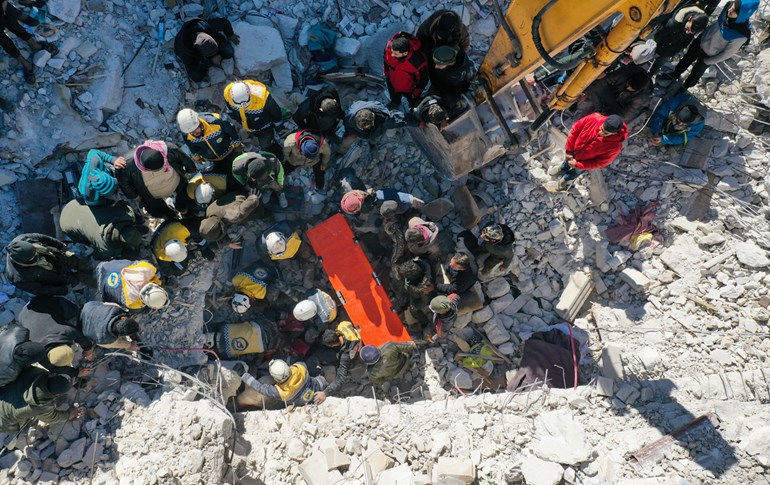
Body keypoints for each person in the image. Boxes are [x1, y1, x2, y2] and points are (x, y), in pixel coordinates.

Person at [667, 0, 759, 91]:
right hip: (700, 41)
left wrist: (708, 61)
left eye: (734, 10)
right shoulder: (728, 10)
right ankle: (674, 75)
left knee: (695, 73)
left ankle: (684, 88)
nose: (729, 10)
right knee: (686, 59)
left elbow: (727, 53)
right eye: (732, 7)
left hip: (709, 55)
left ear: (742, 15)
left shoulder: (740, 35)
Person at [118, 140, 198, 220]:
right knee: (158, 210)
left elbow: (185, 160)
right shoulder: (126, 164)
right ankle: (170, 217)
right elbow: (123, 183)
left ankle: (184, 211)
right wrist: (134, 196)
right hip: (152, 196)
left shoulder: (167, 149)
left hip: (176, 184)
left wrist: (189, 171)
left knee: (185, 200)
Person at [17, 296, 95, 375]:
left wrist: (88, 349)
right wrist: (76, 372)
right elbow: (55, 368)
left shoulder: (65, 330)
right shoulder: (40, 355)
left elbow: (81, 338)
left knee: (74, 311)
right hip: (25, 314)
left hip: (36, 304)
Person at [60, 198, 146, 260]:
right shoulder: (107, 247)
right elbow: (96, 256)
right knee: (85, 241)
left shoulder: (123, 214)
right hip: (65, 223)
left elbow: (123, 203)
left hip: (75, 203)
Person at [0, 368, 81, 432]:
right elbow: (52, 417)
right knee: (17, 424)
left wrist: (67, 381)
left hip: (3, 396)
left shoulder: (35, 372)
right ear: (57, 394)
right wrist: (70, 414)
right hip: (4, 422)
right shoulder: (42, 406)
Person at [554, 113, 628, 184]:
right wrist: (569, 150)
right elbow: (575, 130)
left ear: (614, 133)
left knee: (576, 172)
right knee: (566, 162)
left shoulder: (615, 147)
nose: (600, 133)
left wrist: (578, 165)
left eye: (606, 133)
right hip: (573, 152)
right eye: (601, 128)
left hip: (583, 163)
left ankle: (566, 179)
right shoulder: (594, 118)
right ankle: (562, 169)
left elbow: (599, 163)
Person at [0, 0, 57, 83]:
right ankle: (26, 64)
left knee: (15, 26)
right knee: (4, 41)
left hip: (3, 8)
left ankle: (35, 45)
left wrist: (3, 8)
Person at [4, 233, 79, 296]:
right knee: (73, 280)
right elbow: (40, 290)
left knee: (72, 260)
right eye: (33, 257)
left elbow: (44, 238)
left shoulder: (23, 239)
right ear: (23, 262)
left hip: (54, 257)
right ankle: (79, 281)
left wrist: (60, 245)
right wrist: (63, 290)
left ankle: (79, 265)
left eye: (35, 252)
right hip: (51, 277)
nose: (37, 255)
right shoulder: (18, 278)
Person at [223, 80, 284, 155]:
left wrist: (279, 127)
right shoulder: (228, 94)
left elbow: (275, 111)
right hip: (246, 125)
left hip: (264, 126)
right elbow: (229, 109)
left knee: (266, 147)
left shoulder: (262, 97)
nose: (244, 106)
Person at [177, 109, 243, 176]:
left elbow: (231, 132)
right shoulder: (186, 134)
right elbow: (191, 147)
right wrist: (197, 158)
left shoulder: (216, 121)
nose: (194, 133)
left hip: (230, 152)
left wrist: (237, 144)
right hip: (214, 161)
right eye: (191, 132)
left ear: (199, 123)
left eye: (195, 129)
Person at [174, 17, 240, 82]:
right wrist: (210, 62)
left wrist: (230, 35)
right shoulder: (184, 51)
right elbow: (193, 65)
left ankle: (214, 51)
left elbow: (225, 23)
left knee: (229, 52)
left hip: (214, 40)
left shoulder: (205, 26)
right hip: (196, 56)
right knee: (196, 77)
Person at [648, 6, 709, 76]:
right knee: (644, 57)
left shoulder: (695, 27)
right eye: (688, 28)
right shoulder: (673, 23)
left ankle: (649, 76)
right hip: (658, 45)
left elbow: (685, 43)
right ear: (690, 19)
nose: (687, 32)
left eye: (691, 32)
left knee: (656, 67)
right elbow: (657, 35)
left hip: (669, 52)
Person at [576, 64, 651, 120]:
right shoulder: (623, 73)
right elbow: (602, 82)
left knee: (615, 118)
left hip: (619, 104)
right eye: (628, 85)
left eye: (631, 89)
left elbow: (626, 113)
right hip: (610, 91)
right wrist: (598, 107)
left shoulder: (641, 97)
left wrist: (606, 117)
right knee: (594, 88)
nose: (628, 88)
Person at [240, 359, 326, 406]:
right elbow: (297, 363)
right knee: (312, 360)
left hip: (303, 403)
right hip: (320, 386)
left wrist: (243, 375)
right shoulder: (300, 368)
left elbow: (260, 388)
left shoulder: (281, 393)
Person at [314, 321, 362, 403]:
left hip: (354, 351)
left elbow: (341, 377)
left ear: (332, 346)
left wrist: (325, 393)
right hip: (356, 339)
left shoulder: (345, 355)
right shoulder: (342, 325)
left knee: (326, 357)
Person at [95, 259, 168, 311]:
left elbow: (145, 263)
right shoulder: (132, 303)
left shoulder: (147, 269)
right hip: (100, 286)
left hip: (107, 266)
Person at [383, 32, 429, 108]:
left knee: (412, 100)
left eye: (396, 54)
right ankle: (395, 103)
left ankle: (413, 107)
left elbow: (422, 81)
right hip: (392, 81)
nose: (392, 55)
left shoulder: (418, 62)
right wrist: (386, 73)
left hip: (409, 88)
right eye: (392, 52)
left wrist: (415, 94)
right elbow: (385, 60)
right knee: (394, 96)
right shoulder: (389, 47)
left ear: (405, 53)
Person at [203, 319, 281, 358]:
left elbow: (249, 319)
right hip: (224, 352)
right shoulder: (262, 349)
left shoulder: (261, 325)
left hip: (223, 330)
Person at [340, 186, 424, 219]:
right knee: (407, 202)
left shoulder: (364, 209)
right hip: (392, 200)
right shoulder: (377, 196)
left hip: (390, 205)